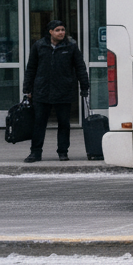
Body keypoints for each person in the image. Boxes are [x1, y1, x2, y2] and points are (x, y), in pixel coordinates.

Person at [22, 19, 90, 163]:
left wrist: (84, 86)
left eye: (63, 30)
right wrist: (27, 89)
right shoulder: (39, 46)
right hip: (42, 91)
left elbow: (80, 68)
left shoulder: (71, 47)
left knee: (64, 123)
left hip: (63, 91)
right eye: (58, 30)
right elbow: (31, 68)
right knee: (39, 123)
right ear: (50, 32)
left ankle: (63, 152)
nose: (61, 33)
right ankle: (35, 153)